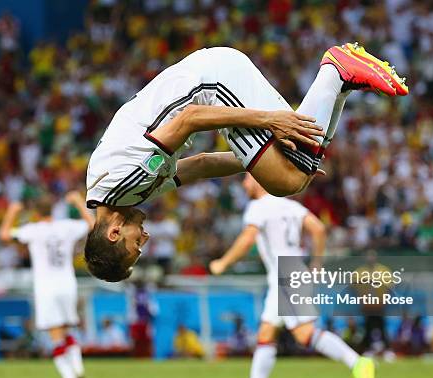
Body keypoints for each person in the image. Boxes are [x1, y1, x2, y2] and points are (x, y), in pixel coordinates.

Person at [83, 43, 408, 282]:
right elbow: (200, 165)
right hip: (211, 79)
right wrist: (263, 158)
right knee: (295, 173)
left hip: (212, 83)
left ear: (114, 233)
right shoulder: (117, 193)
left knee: (286, 180)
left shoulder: (124, 182)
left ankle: (335, 71)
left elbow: (189, 118)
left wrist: (269, 122)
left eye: (135, 244)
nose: (145, 238)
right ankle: (342, 84)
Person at [209, 174, 375, 378]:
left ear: (258, 181)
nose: (245, 184)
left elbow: (247, 240)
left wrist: (223, 263)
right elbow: (318, 229)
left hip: (286, 277)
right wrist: (316, 264)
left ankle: (358, 362)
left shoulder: (257, 207)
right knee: (266, 333)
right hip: (291, 271)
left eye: (247, 178)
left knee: (304, 334)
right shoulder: (289, 204)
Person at [0, 191, 94, 378]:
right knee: (68, 329)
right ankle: (78, 368)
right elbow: (93, 225)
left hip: (46, 287)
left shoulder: (32, 230)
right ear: (52, 209)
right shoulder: (67, 226)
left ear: (35, 211)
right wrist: (78, 202)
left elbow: (4, 235)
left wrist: (12, 212)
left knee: (55, 333)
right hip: (68, 283)